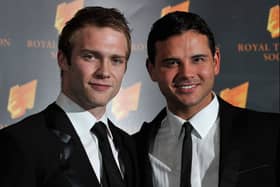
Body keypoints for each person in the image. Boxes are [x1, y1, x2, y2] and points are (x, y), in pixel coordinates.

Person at [134, 11, 280, 187]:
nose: (187, 73)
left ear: (215, 62)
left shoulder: (271, 133)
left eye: (198, 59)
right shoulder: (133, 148)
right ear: (152, 70)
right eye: (172, 62)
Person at [0, 6, 139, 187]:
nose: (105, 72)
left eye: (116, 60)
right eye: (90, 57)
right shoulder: (20, 143)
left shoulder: (131, 147)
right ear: (63, 60)